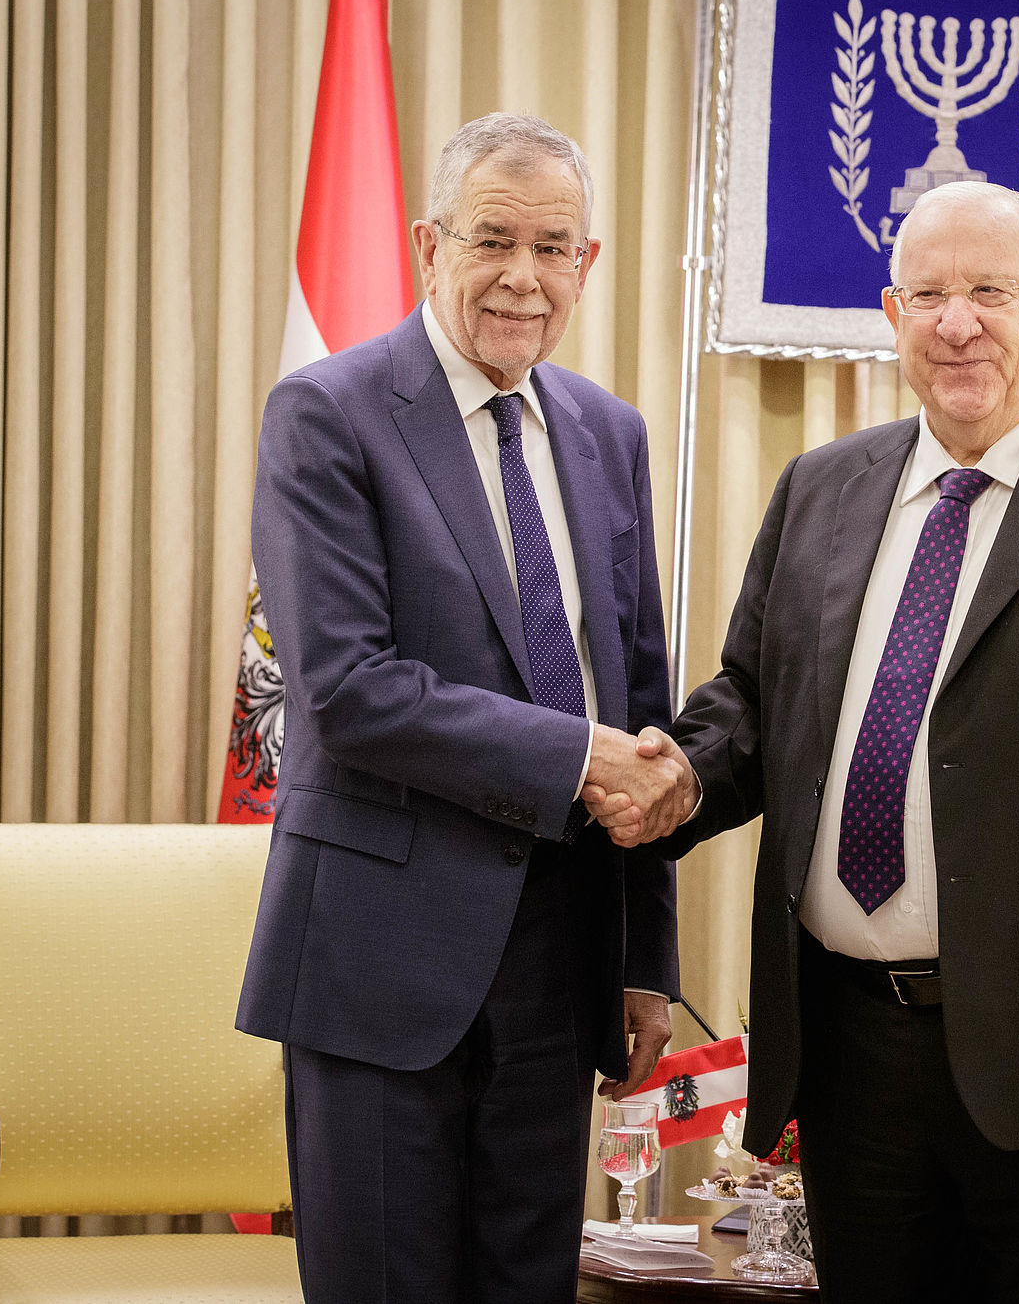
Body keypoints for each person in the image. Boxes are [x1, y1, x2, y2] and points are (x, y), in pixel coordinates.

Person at [589, 180, 1019, 1302]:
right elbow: (756, 703)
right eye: (928, 296)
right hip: (852, 1056)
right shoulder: (821, 486)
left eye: (989, 292)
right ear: (891, 313)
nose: (957, 323)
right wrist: (676, 777)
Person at [236, 113, 697, 1304]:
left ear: (588, 263)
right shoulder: (327, 412)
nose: (521, 277)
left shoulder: (608, 434)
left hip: (561, 953)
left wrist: (643, 953)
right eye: (492, 239)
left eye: (553, 248)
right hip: (379, 958)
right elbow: (347, 689)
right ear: (428, 244)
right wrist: (578, 755)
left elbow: (637, 697)